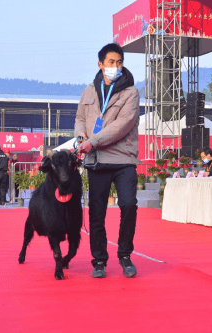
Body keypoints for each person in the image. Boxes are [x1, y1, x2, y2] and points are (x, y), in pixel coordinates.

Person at [75, 43, 140, 278]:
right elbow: (80, 118)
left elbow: (122, 125)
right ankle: (99, 260)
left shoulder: (131, 92)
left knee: (128, 205)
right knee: (96, 212)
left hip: (124, 159)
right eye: (111, 62)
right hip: (97, 160)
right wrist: (80, 135)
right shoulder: (89, 91)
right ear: (100, 64)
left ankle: (125, 255)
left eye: (119, 62)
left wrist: (92, 140)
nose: (116, 66)